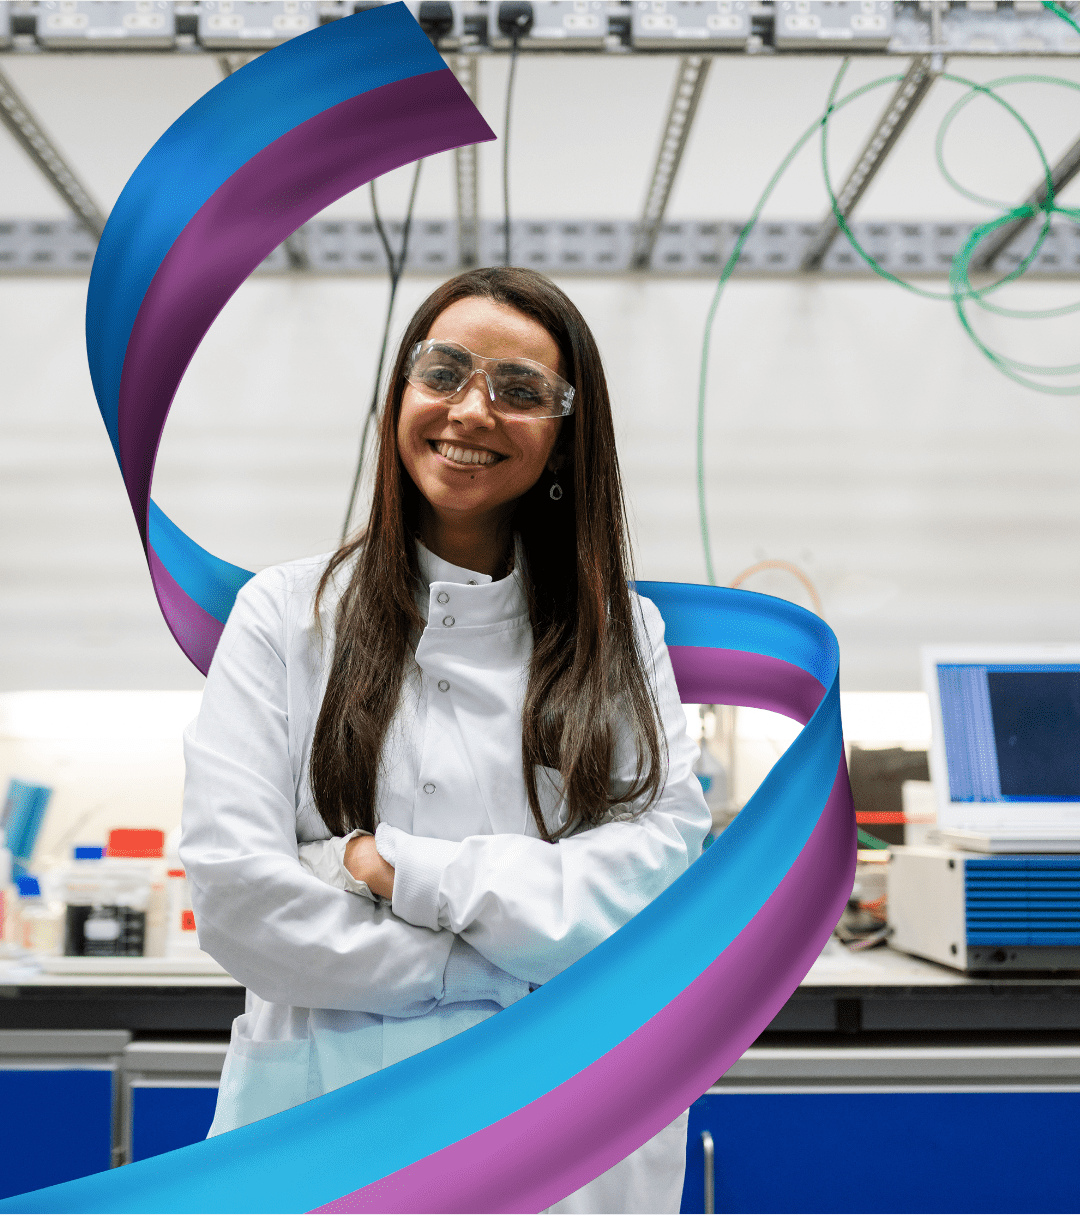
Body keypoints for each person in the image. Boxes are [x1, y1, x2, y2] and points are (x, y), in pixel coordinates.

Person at [177, 266, 712, 1214]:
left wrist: (392, 869)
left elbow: (649, 890)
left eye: (518, 392)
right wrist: (497, 967)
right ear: (400, 397)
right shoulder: (285, 616)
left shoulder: (622, 635)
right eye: (444, 372)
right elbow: (239, 897)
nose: (471, 410)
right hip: (330, 1122)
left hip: (560, 1131)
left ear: (561, 437)